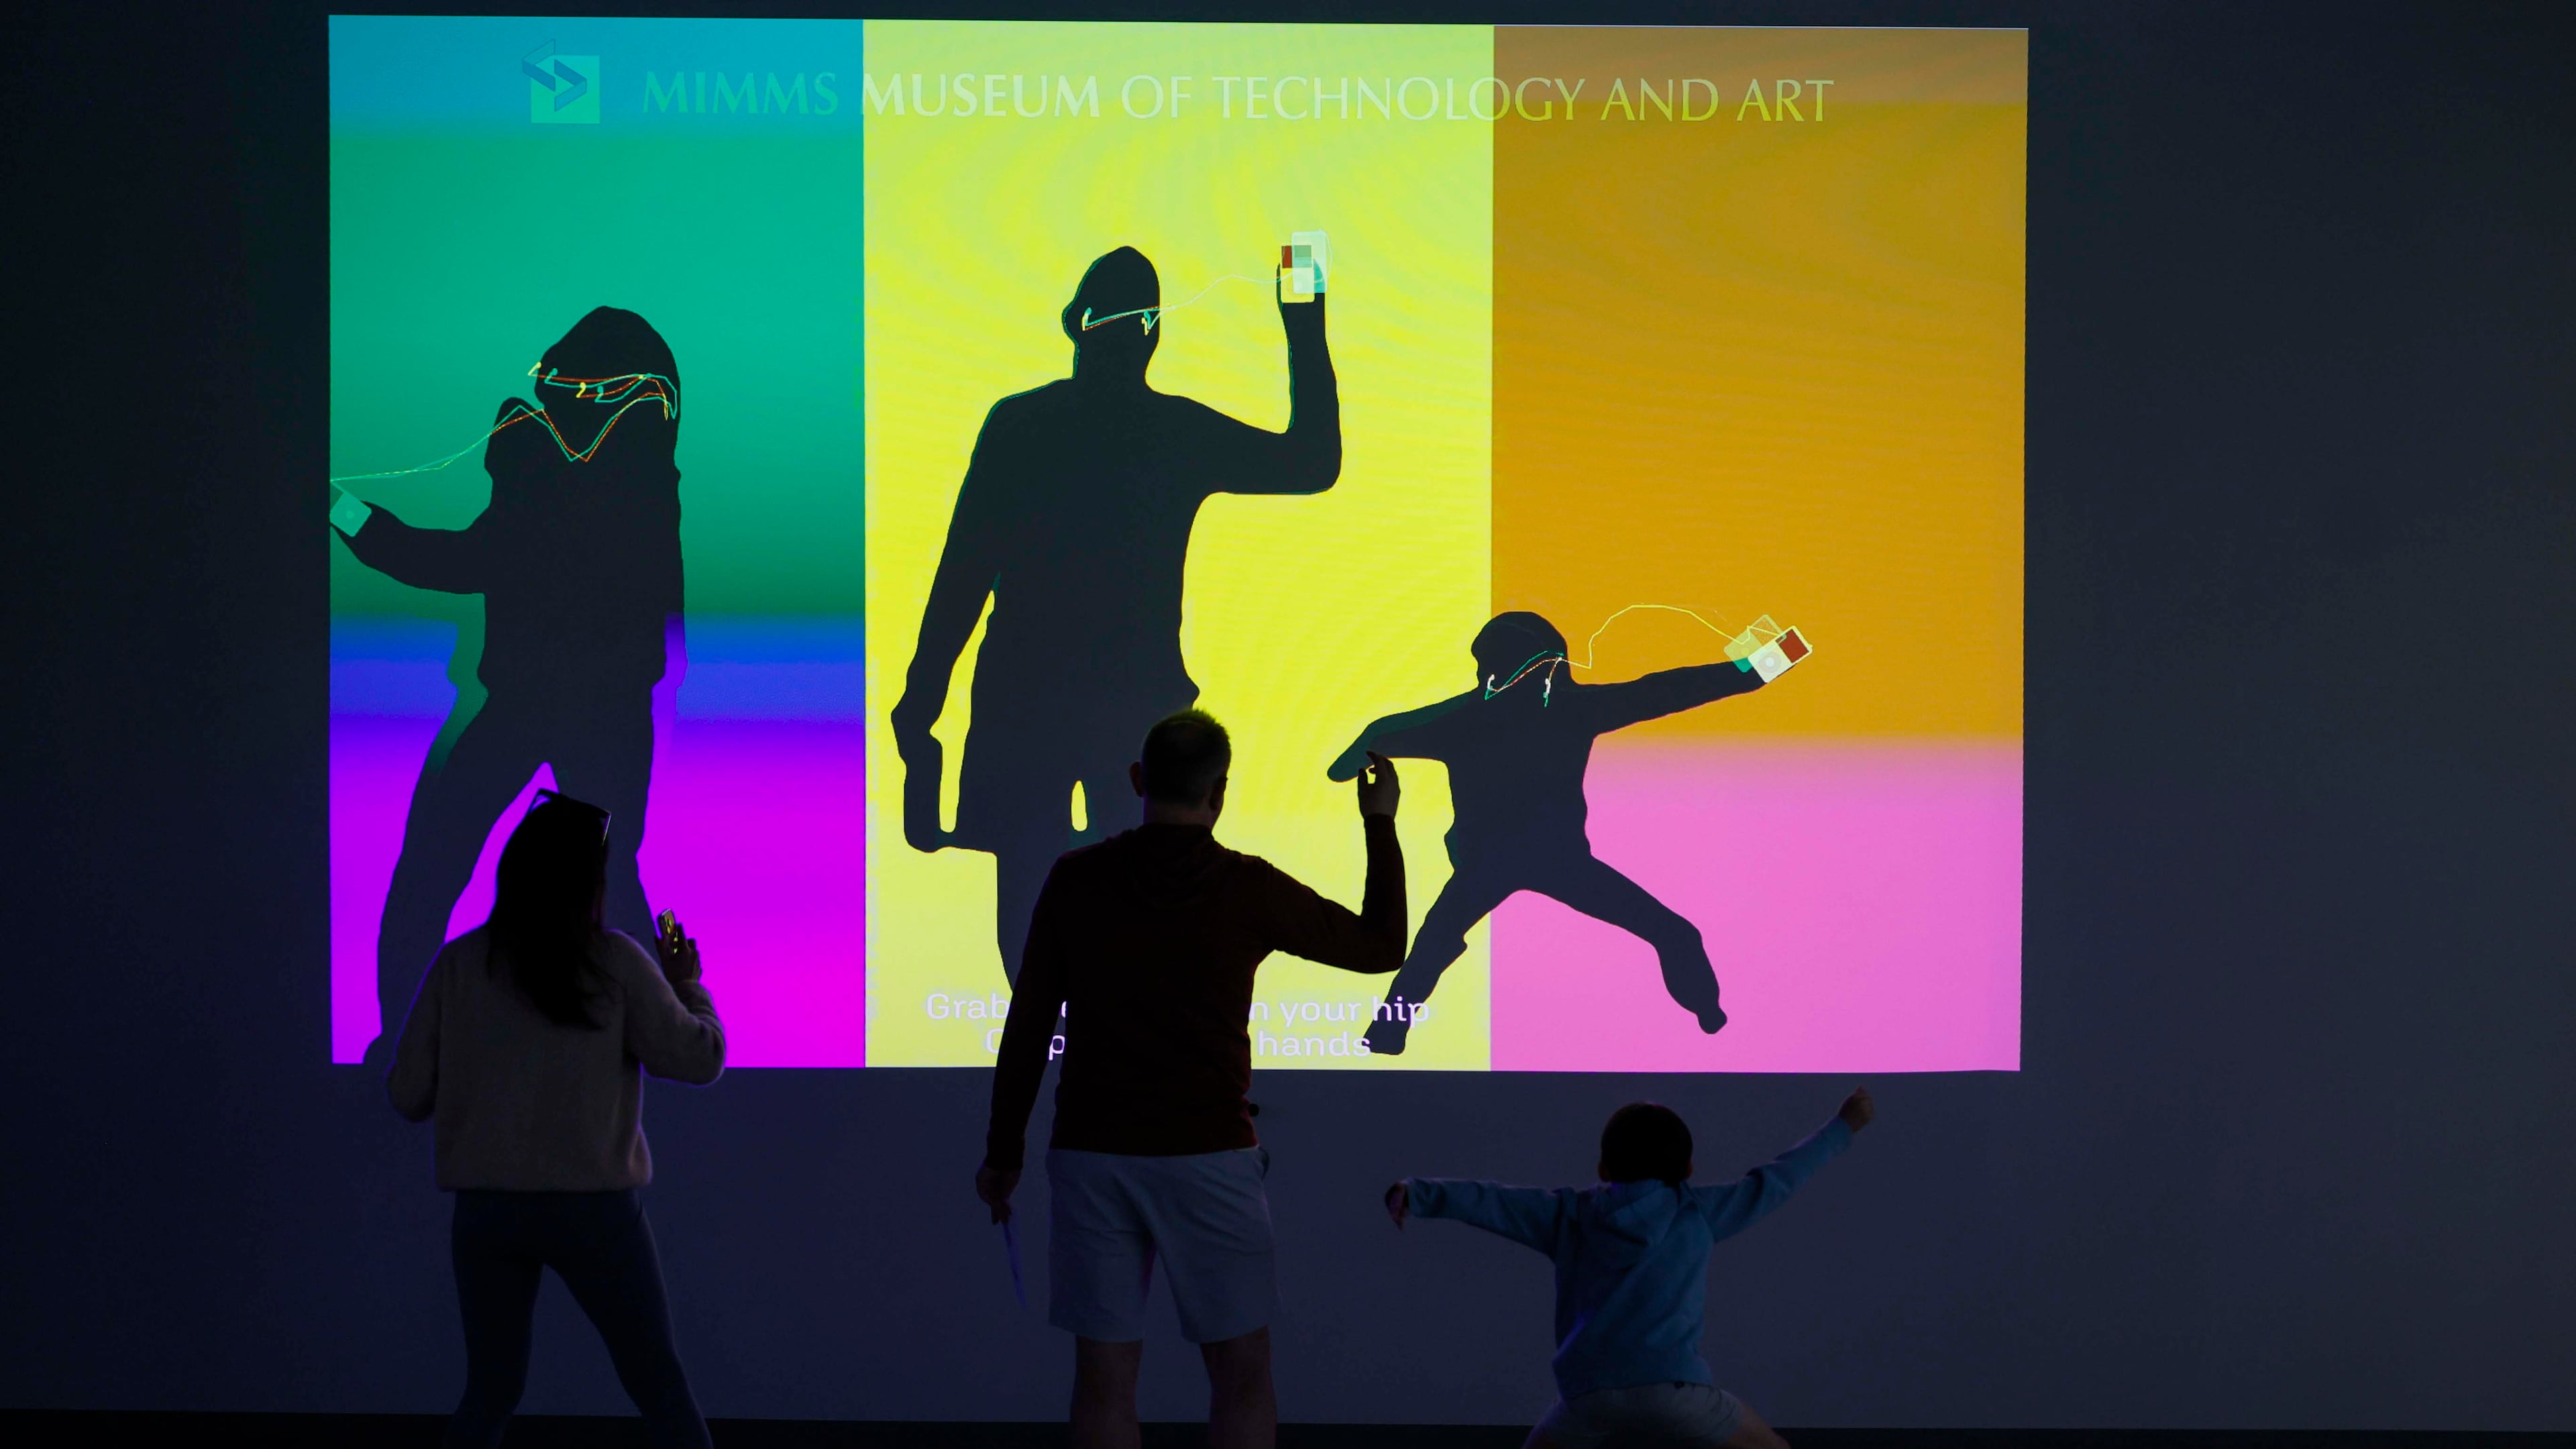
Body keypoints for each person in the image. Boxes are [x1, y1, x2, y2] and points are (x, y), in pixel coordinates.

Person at [893, 246, 1341, 985]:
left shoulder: (1029, 424)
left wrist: (924, 694)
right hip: (1086, 709)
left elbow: (964, 570)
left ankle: (1074, 1062)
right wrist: (1304, 316)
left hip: (1063, 707)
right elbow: (964, 568)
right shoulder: (1152, 430)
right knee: (1080, 904)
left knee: (1054, 906)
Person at [978, 710, 1404, 1449]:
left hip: (1092, 1153)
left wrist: (1003, 1154)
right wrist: (1379, 822)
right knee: (1240, 1373)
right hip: (1210, 1155)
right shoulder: (1245, 887)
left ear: (1140, 781)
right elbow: (1380, 947)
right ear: (1221, 792)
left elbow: (1027, 1028)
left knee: (1104, 1379)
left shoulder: (1077, 880)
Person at [334, 306, 686, 1062]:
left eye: (565, 384)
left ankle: (403, 1045)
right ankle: (667, 1042)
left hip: (565, 707)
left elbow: (455, 561)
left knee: (446, 861)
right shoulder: (618, 477)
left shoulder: (596, 484)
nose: (546, 396)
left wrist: (344, 512)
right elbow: (464, 557)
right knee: (586, 873)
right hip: (574, 708)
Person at [388, 789, 724, 1449]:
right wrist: (687, 983)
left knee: (491, 1392)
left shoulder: (460, 964)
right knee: (658, 1384)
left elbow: (406, 1096)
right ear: (590, 883)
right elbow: (700, 1057)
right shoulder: (619, 962)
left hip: (488, 1213)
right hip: (596, 1212)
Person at [1328, 611, 1771, 1054]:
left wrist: (1350, 765)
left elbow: (1381, 732)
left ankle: (1386, 1032)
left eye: (1487, 665)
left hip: (1508, 862)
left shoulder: (1471, 717)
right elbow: (1668, 690)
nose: (1483, 675)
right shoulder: (1563, 709)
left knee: (1435, 941)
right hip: (1546, 861)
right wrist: (1766, 664)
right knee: (1674, 933)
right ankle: (1708, 1012)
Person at [1385, 1089, 1876, 1449]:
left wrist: (1418, 1192)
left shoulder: (1568, 1215)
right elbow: (1779, 1179)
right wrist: (1843, 1125)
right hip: (1677, 1395)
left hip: (1590, 1398)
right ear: (1687, 1171)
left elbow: (1491, 1201)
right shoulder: (1697, 1213)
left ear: (1602, 1169)